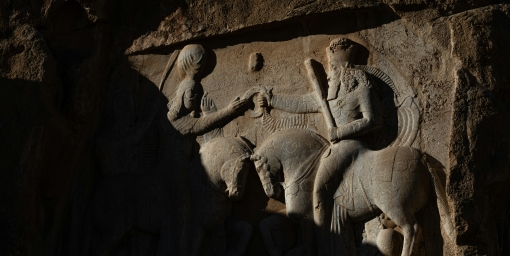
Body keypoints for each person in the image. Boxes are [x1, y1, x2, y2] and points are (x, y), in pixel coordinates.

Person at [258, 38, 383, 254]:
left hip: (351, 147)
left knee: (319, 190)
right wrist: (272, 100)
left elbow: (373, 121)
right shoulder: (328, 100)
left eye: (332, 68)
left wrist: (340, 132)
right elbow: (301, 103)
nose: (328, 74)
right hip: (335, 150)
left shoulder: (362, 92)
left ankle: (324, 246)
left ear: (345, 72)